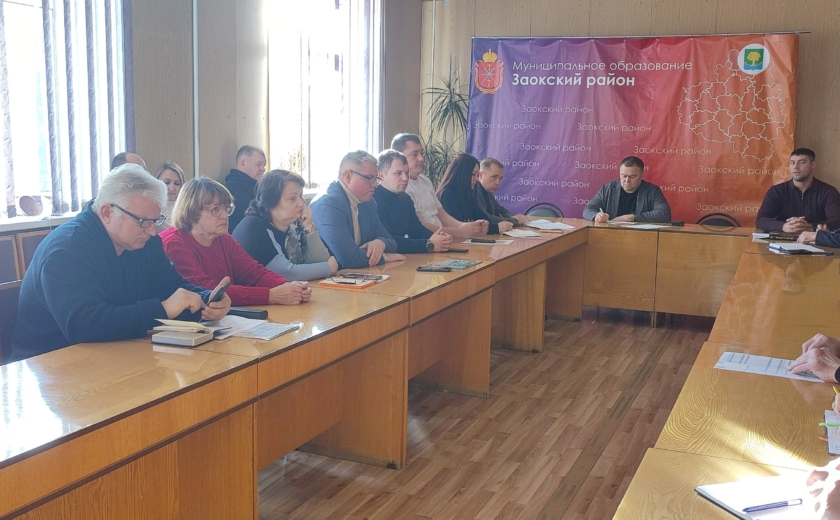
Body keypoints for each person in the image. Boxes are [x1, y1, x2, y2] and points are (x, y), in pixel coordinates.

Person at [10, 165, 230, 362]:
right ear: (107, 212)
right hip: (50, 365)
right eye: (144, 222)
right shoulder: (67, 249)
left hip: (115, 353)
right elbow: (83, 325)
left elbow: (170, 285)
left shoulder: (143, 240)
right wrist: (163, 309)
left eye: (156, 221)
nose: (153, 231)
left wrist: (206, 299)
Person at [160, 178, 311, 306]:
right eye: (215, 209)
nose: (224, 216)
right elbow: (207, 291)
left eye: (227, 208)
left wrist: (290, 287)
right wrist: (271, 295)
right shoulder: (174, 243)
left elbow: (254, 273)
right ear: (191, 211)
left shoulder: (223, 239)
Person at [232, 169, 338, 280]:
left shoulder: (295, 223)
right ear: (271, 203)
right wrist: (328, 268)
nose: (301, 203)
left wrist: (309, 227)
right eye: (292, 199)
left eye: (301, 196)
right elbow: (285, 273)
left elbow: (322, 261)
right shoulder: (253, 228)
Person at [310, 150, 404, 269]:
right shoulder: (328, 204)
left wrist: (380, 243)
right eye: (369, 178)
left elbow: (392, 242)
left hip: (359, 274)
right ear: (348, 176)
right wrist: (385, 257)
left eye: (375, 178)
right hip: (329, 277)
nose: (375, 184)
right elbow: (349, 259)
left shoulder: (368, 202)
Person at [392, 133, 488, 238]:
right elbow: (419, 226)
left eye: (422, 153)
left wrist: (470, 227)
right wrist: (459, 231)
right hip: (425, 241)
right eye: (415, 154)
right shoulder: (402, 186)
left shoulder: (425, 180)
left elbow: (442, 215)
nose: (421, 158)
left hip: (441, 237)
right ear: (399, 157)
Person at [373, 149, 452, 254]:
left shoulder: (405, 198)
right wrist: (429, 244)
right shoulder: (373, 200)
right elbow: (387, 240)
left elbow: (416, 230)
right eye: (398, 173)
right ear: (381, 175)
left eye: (407, 173)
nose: (405, 178)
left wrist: (439, 238)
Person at [756, 148, 840, 233]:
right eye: (792, 163)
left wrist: (810, 226)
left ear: (813, 164)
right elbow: (761, 220)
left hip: (814, 238)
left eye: (802, 162)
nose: (795, 167)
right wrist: (783, 226)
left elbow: (837, 220)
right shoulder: (777, 191)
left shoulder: (828, 192)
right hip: (782, 238)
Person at [583, 156, 671, 223]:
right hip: (610, 234)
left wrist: (633, 217)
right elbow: (588, 210)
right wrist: (596, 216)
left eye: (632, 177)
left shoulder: (652, 191)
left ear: (642, 175)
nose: (627, 180)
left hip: (641, 236)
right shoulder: (608, 189)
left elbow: (664, 214)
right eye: (624, 176)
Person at [436, 153, 500, 235]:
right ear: (462, 173)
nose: (477, 179)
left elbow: (481, 218)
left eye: (477, 175)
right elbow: (456, 228)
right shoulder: (447, 194)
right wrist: (496, 228)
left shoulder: (469, 194)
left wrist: (485, 226)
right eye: (473, 174)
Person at [475, 157, 531, 233]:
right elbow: (486, 218)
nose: (498, 182)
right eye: (494, 177)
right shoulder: (474, 191)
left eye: (500, 178)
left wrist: (512, 216)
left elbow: (499, 210)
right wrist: (515, 220)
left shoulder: (487, 190)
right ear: (480, 175)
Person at [225, 145, 267, 230]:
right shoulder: (234, 189)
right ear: (243, 164)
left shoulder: (257, 186)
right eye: (258, 164)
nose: (263, 169)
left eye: (264, 165)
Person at [153, 160, 185, 230]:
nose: (171, 188)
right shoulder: (150, 205)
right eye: (166, 182)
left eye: (177, 183)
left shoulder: (187, 207)